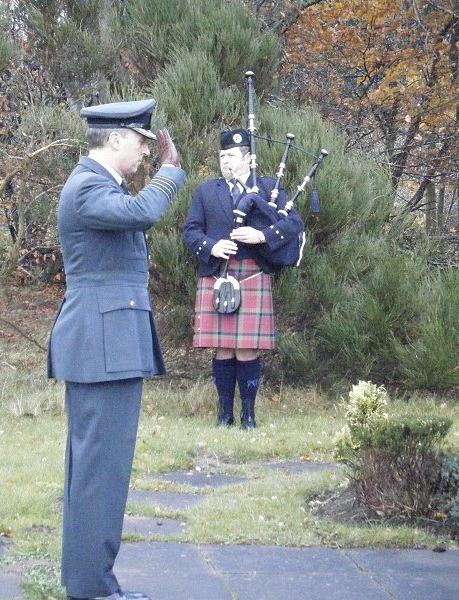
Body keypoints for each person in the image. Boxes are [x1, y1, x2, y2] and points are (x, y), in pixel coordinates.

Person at [47, 98, 184, 600]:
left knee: (100, 473)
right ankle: (92, 590)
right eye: (144, 143)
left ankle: (90, 584)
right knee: (98, 475)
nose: (148, 153)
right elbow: (144, 212)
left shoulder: (98, 185)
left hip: (109, 345)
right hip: (100, 347)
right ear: (119, 139)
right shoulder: (87, 187)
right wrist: (171, 174)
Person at [183, 129, 303, 430]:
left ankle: (248, 413)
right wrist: (211, 245)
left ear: (249, 159)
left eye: (232, 156)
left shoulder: (268, 189)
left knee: (247, 349)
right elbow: (191, 231)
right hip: (217, 274)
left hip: (252, 273)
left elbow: (294, 223)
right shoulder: (207, 191)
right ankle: (224, 413)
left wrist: (262, 234)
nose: (225, 161)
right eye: (222, 156)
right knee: (222, 348)